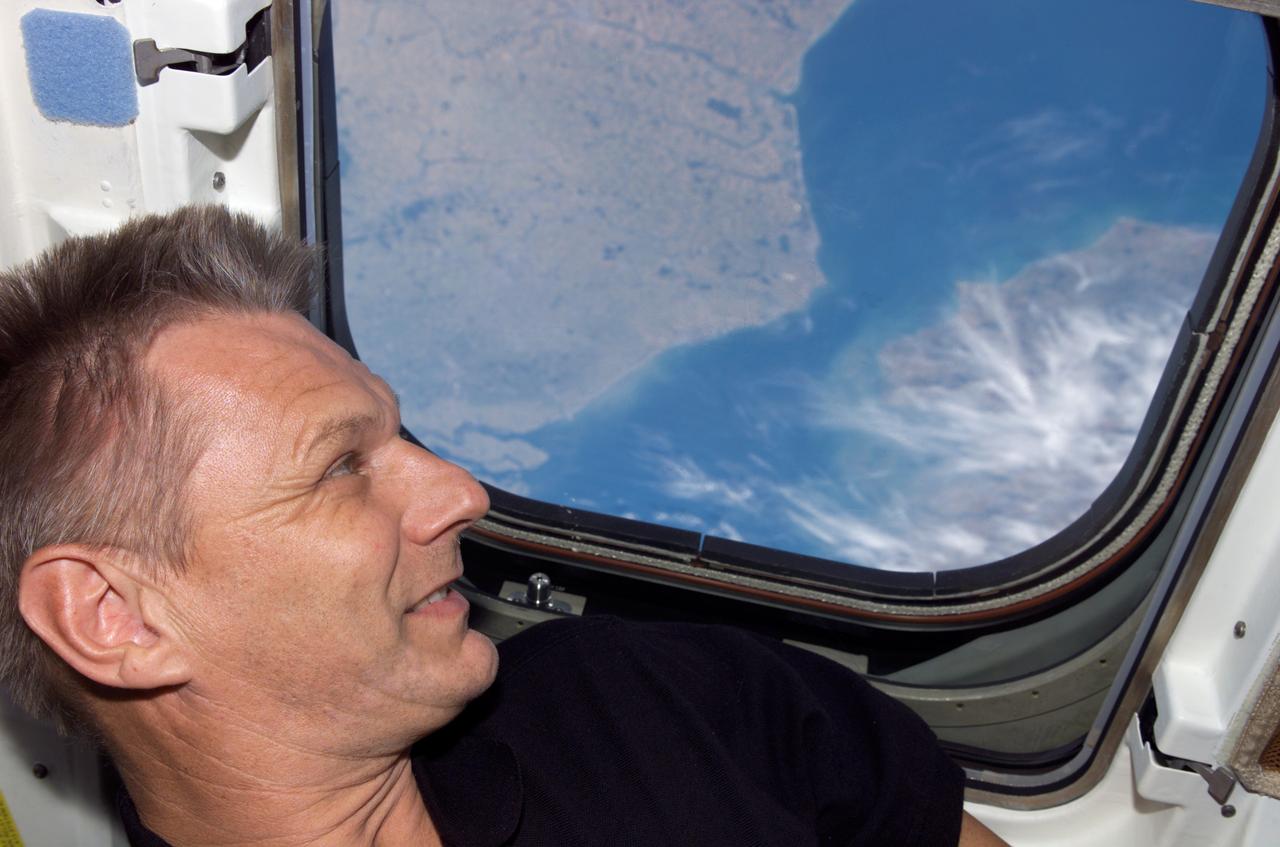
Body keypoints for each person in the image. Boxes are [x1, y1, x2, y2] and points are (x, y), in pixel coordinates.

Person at [0, 206, 1008, 846]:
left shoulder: (659, 700)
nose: (461, 492)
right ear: (113, 616)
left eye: (402, 437)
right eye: (341, 466)